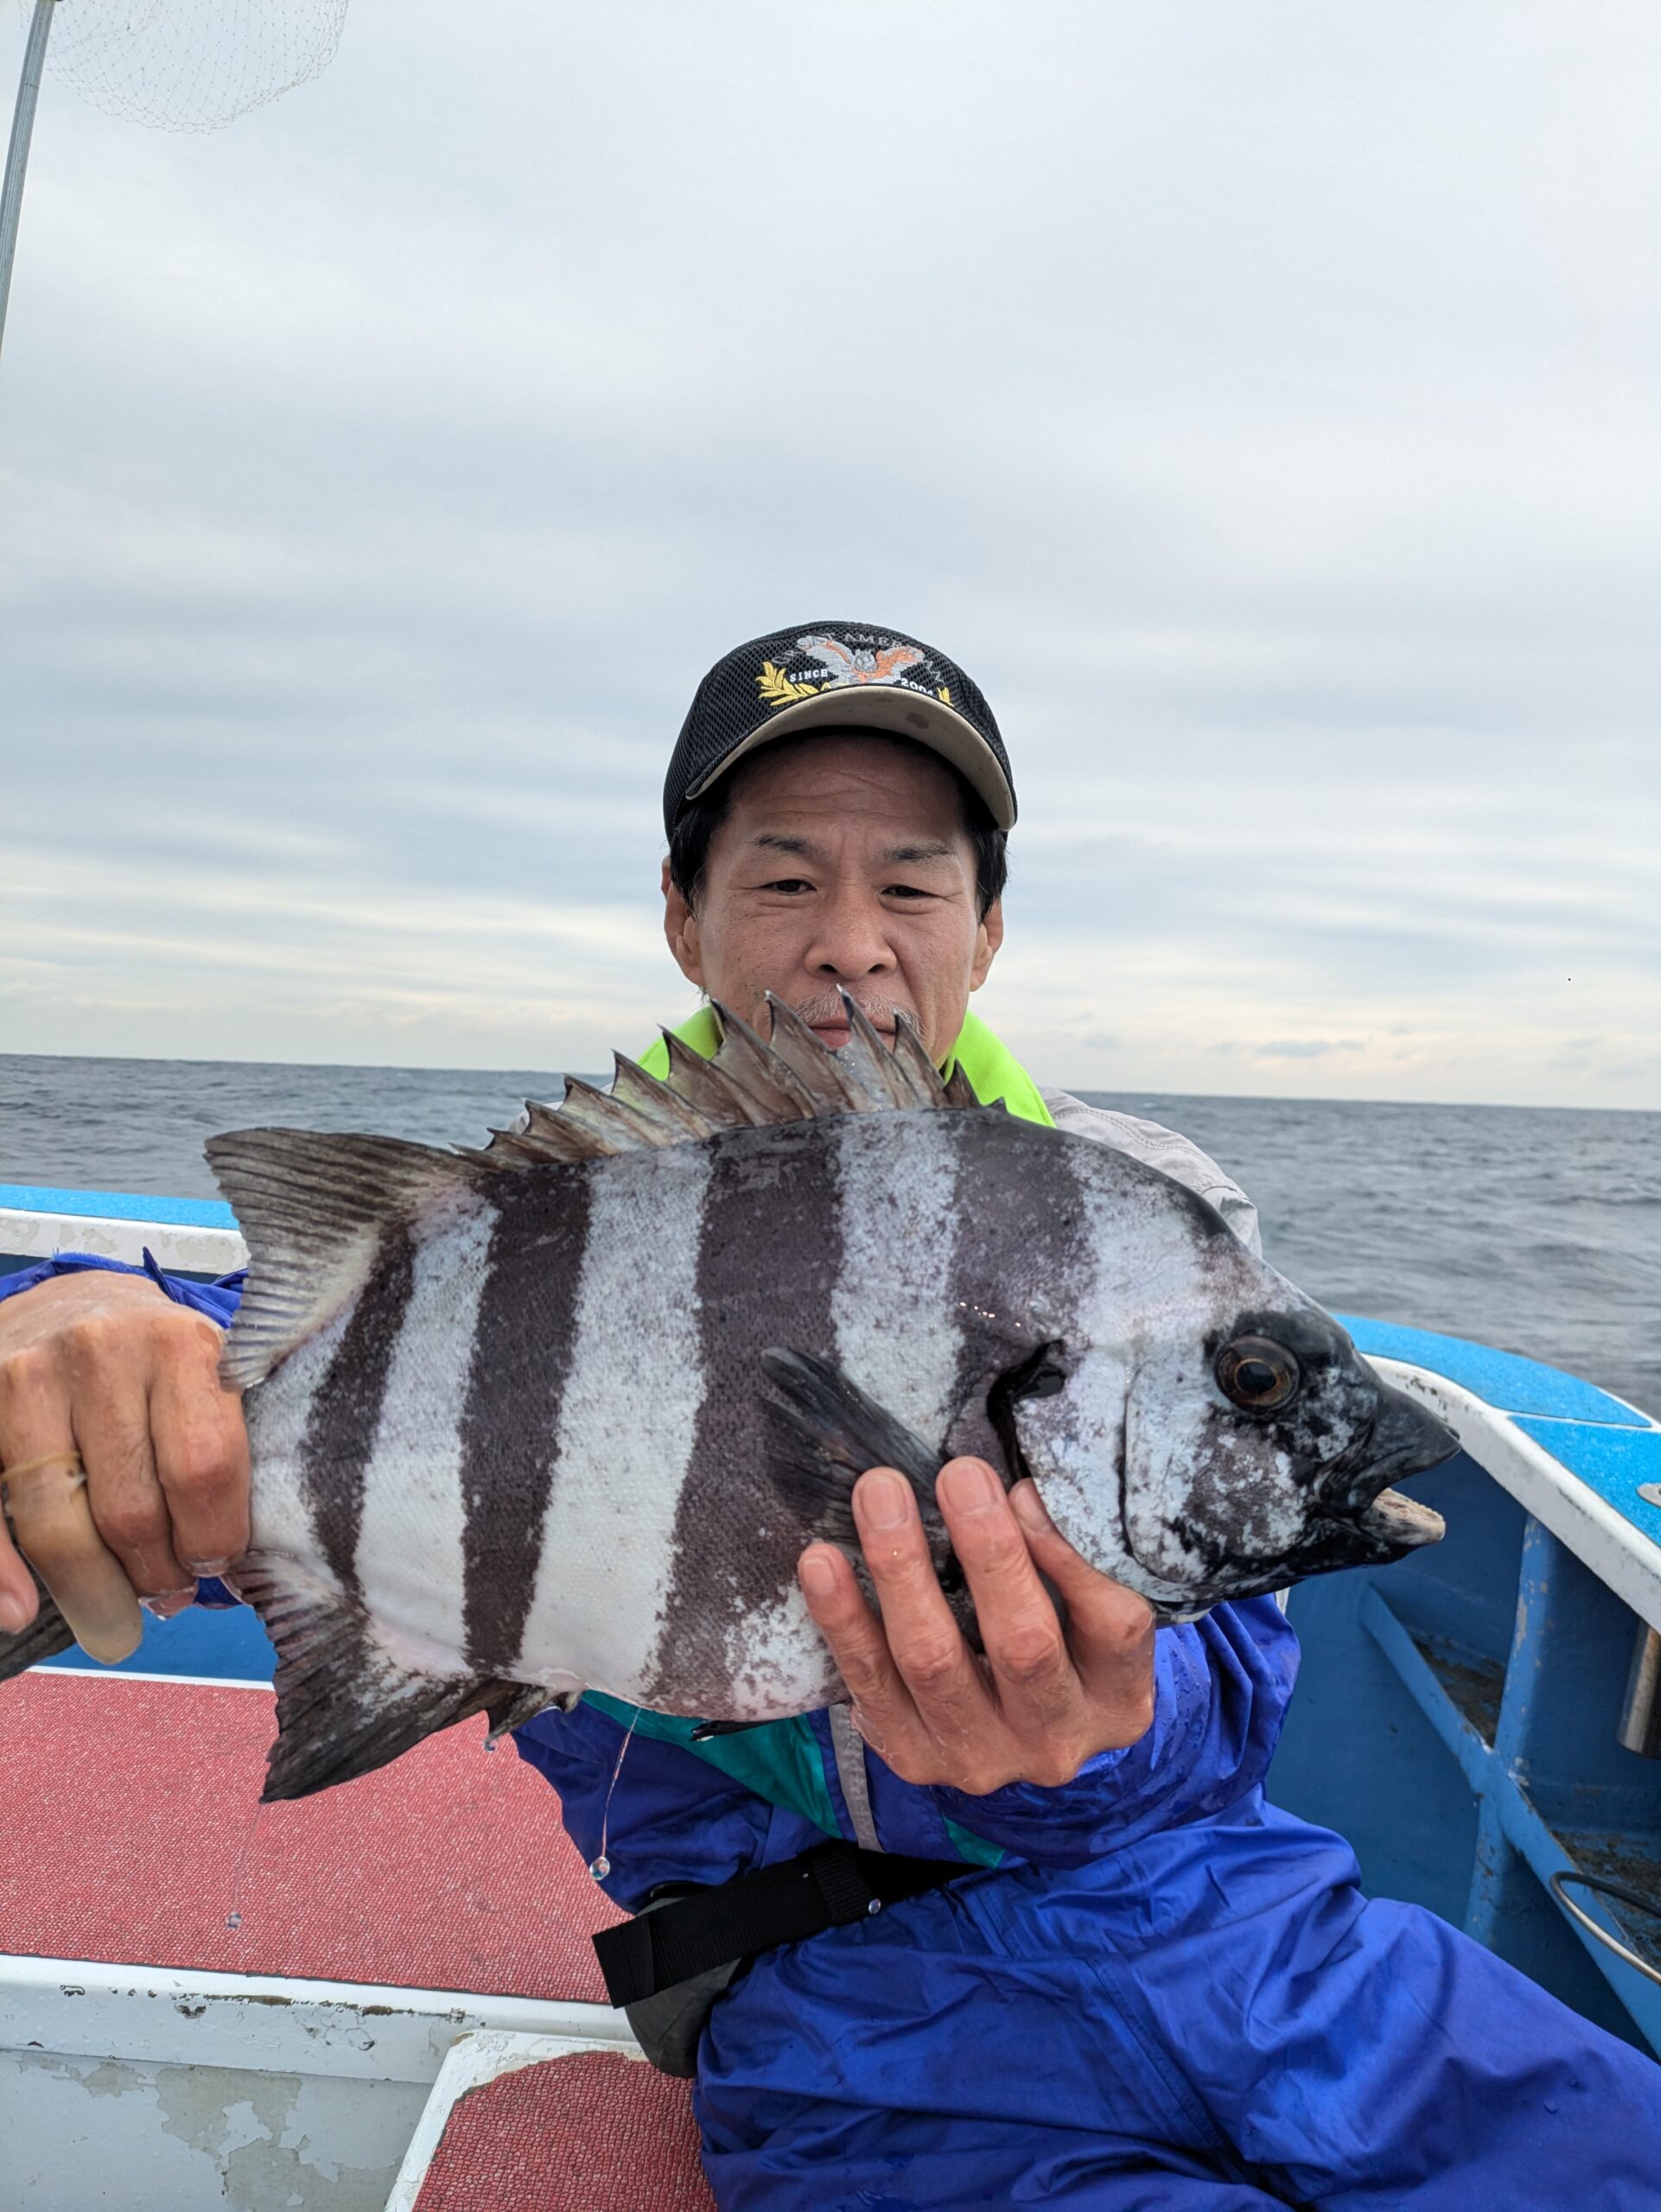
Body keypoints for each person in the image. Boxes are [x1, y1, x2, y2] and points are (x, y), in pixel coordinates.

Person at [2, 619, 1658, 2209]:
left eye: (913, 882)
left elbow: (1221, 1694)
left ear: (987, 927)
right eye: (783, 878)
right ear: (682, 915)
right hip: (831, 2007)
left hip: (1246, 1929)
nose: (849, 939)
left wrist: (1097, 1730)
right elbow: (230, 1376)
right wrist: (70, 1312)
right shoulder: (555, 1216)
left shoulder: (1145, 1238)